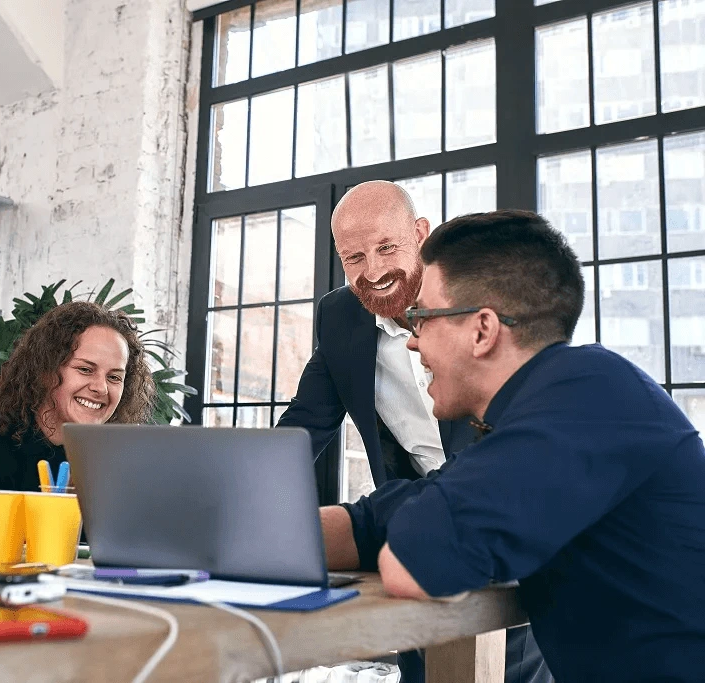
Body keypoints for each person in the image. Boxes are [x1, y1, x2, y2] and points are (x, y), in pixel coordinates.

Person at [325, 210, 705, 682]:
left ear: (482, 330)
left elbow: (416, 564)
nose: (413, 343)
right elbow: (391, 515)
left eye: (422, 317)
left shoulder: (585, 399)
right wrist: (263, 533)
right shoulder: (545, 408)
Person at [278, 182, 547, 683]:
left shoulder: (487, 306)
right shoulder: (340, 318)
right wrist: (236, 495)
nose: (373, 271)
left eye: (386, 247)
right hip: (413, 532)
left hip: (502, 534)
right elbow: (304, 425)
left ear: (420, 234)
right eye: (354, 256)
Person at [0, 301, 155, 492]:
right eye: (85, 369)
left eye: (114, 377)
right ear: (46, 369)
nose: (101, 388)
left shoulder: (119, 461)